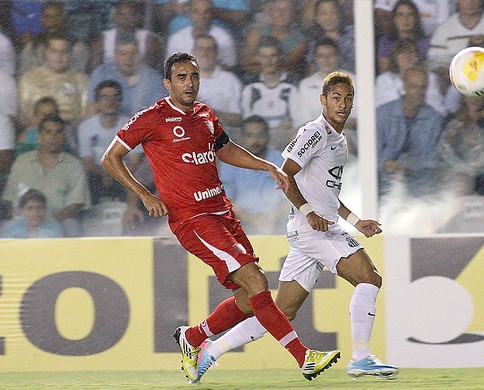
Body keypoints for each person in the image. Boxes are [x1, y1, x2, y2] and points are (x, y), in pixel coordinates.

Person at [100, 52, 340, 384]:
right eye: (181, 78)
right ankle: (304, 357)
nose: (189, 83)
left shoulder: (205, 114)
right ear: (168, 83)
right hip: (193, 219)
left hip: (223, 212)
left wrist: (266, 164)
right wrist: (144, 194)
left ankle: (194, 338)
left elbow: (224, 149)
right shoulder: (152, 118)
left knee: (246, 297)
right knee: (256, 281)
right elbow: (111, 158)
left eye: (194, 76)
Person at [196, 71, 399, 379]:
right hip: (312, 230)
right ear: (323, 100)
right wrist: (308, 212)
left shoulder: (340, 140)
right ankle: (361, 357)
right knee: (369, 278)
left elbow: (327, 195)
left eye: (348, 99)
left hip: (316, 229)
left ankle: (211, 350)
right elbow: (283, 175)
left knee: (282, 311)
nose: (342, 104)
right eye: (336, 98)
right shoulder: (315, 132)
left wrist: (358, 222)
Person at [2, 113, 91, 237]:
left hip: (59, 222)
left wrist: (47, 222)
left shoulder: (74, 165)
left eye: (58, 132)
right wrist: (26, 221)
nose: (53, 137)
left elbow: (75, 205)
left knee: (71, 226)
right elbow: (9, 200)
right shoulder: (22, 161)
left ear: (63, 137)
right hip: (23, 222)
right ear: (39, 136)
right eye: (48, 132)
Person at [376, 67, 444, 197]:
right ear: (405, 86)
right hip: (385, 180)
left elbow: (435, 158)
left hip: (420, 182)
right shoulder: (382, 114)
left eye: (423, 87)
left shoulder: (435, 119)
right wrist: (385, 163)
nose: (419, 92)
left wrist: (410, 166)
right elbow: (371, 153)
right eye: (414, 87)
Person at [218, 115, 289, 234]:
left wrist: (271, 218)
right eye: (250, 135)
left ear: (268, 136)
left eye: (260, 135)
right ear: (242, 138)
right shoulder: (230, 162)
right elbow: (224, 199)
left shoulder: (281, 160)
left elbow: (290, 199)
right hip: (240, 222)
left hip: (278, 222)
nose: (255, 140)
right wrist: (252, 220)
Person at [78, 80, 134, 204]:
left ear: (120, 101)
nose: (110, 102)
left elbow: (135, 160)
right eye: (104, 97)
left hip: (125, 174)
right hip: (96, 174)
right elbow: (87, 161)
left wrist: (116, 174)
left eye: (114, 97)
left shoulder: (132, 125)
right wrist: (104, 174)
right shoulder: (85, 127)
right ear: (97, 102)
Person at [86, 33, 168, 117]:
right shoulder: (102, 73)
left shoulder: (154, 79)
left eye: (134, 53)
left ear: (140, 55)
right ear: (115, 56)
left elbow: (162, 113)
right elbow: (91, 108)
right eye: (123, 53)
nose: (129, 58)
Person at [18, 33, 89, 129]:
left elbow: (86, 113)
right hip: (37, 131)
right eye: (54, 51)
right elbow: (23, 114)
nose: (59, 56)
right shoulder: (29, 78)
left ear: (70, 54)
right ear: (46, 52)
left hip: (69, 131)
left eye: (64, 52)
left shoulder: (81, 80)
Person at [240, 35, 298, 151]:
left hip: (283, 143)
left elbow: (294, 122)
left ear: (280, 57)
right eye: (264, 56)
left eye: (273, 56)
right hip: (256, 144)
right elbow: (249, 124)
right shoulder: (250, 89)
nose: (269, 61)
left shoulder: (292, 87)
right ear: (257, 58)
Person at [88, 0, 164, 73]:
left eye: (131, 14)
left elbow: (151, 68)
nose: (126, 19)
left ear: (138, 17)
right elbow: (94, 68)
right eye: (122, 15)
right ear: (114, 16)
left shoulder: (149, 39)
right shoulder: (102, 39)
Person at [166, 0, 237, 69]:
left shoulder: (224, 39)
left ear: (212, 14)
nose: (201, 16)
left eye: (206, 12)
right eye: (196, 12)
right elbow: (170, 68)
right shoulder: (176, 39)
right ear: (189, 13)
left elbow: (229, 67)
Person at [194, 33, 243, 129]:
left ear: (216, 53)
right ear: (193, 52)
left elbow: (237, 119)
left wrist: (210, 111)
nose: (205, 53)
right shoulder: (182, 81)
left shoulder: (230, 80)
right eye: (201, 49)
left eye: (210, 49)